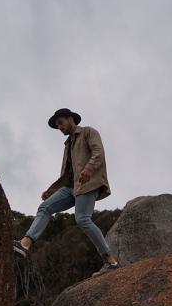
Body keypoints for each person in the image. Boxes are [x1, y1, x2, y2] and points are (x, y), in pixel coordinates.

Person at [12, 108, 120, 277]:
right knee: (45, 207)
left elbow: (98, 152)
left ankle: (110, 261)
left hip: (88, 184)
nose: (59, 128)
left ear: (70, 119)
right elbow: (67, 174)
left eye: (61, 123)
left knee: (83, 219)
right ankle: (25, 244)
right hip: (71, 188)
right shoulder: (68, 145)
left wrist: (89, 169)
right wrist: (51, 190)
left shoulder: (88, 132)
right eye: (57, 126)